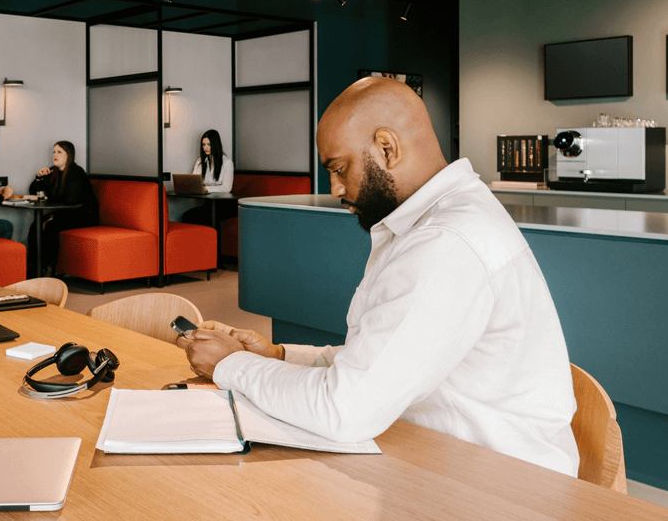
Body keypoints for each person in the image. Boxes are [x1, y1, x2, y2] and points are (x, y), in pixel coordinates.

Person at [176, 77, 580, 477]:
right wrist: (278, 357)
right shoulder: (429, 224)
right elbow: (378, 361)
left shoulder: (445, 243)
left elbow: (345, 410)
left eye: (339, 168)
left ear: (387, 148)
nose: (334, 188)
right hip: (449, 464)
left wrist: (232, 366)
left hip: (506, 491)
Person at [26, 141, 98, 274]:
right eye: (54, 152)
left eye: (59, 152)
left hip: (84, 215)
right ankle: (34, 267)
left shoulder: (76, 172)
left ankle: (50, 268)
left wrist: (52, 212)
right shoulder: (53, 172)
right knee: (35, 225)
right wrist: (38, 178)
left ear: (68, 155)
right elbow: (34, 191)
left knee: (51, 226)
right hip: (65, 214)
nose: (55, 155)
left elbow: (71, 200)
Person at [180, 129, 235, 226]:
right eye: (203, 145)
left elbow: (227, 187)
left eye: (209, 145)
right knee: (187, 216)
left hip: (225, 205)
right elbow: (194, 182)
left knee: (207, 219)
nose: (205, 148)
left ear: (215, 145)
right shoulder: (201, 162)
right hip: (209, 204)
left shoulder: (227, 163)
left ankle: (211, 240)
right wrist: (197, 166)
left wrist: (206, 188)